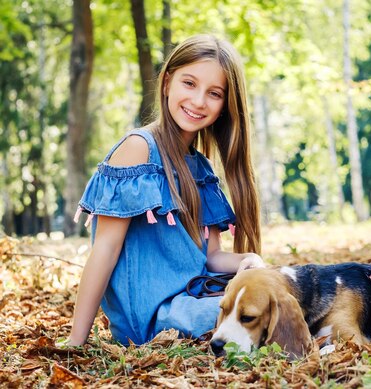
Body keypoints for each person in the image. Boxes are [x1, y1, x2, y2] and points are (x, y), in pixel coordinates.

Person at [62, 35, 264, 347]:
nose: (198, 101)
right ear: (167, 82)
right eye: (189, 83)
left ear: (225, 105)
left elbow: (211, 257)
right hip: (153, 318)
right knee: (266, 309)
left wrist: (246, 260)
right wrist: (76, 340)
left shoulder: (202, 169)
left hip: (193, 300)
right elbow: (105, 250)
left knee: (279, 291)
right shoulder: (138, 149)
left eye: (214, 93)